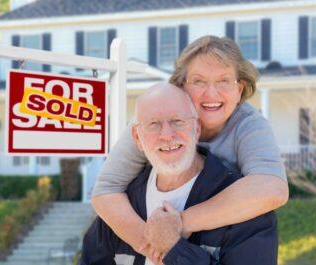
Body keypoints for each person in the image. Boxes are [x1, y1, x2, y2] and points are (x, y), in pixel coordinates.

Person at [91, 35, 288, 260]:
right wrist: (151, 245)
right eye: (199, 81)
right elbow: (106, 189)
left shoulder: (249, 125)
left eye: (223, 81)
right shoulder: (151, 120)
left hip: (225, 239)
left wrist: (181, 223)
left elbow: (273, 189)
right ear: (181, 86)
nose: (211, 93)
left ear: (240, 90)